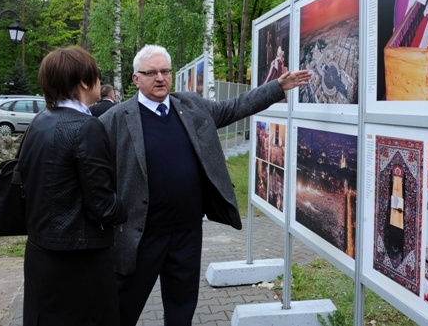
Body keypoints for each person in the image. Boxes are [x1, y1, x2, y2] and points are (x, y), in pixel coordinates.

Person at [99, 44, 312, 326]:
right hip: (141, 235)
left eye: (165, 71)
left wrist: (277, 87)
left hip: (186, 231)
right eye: (151, 73)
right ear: (136, 79)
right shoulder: (114, 119)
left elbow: (235, 107)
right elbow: (98, 177)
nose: (160, 77)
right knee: (123, 308)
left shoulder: (191, 106)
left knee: (182, 306)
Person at [18, 46, 127, 325]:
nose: (100, 83)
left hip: (41, 254)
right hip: (79, 261)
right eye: (98, 76)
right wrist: (127, 207)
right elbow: (102, 205)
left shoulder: (39, 122)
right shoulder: (86, 127)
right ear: (84, 82)